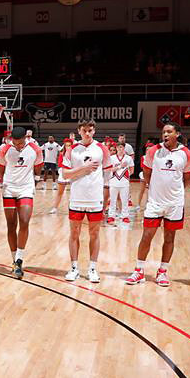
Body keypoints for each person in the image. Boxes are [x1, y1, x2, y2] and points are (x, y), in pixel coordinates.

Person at [125, 123, 190, 287]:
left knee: (170, 238)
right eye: (164, 132)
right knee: (146, 236)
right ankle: (139, 270)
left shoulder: (187, 154)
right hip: (155, 202)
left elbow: (187, 178)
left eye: (169, 132)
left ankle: (162, 272)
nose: (165, 134)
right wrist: (155, 189)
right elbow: (147, 174)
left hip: (175, 203)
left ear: (177, 134)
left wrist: (174, 192)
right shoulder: (153, 151)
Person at [60, 120, 111, 282]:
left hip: (95, 199)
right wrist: (84, 168)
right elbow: (65, 174)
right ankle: (74, 268)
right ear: (79, 131)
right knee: (74, 233)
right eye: (84, 130)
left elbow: (108, 174)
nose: (87, 133)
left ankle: (92, 269)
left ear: (94, 131)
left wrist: (106, 197)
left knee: (94, 234)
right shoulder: (72, 150)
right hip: (76, 198)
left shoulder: (102, 149)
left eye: (90, 130)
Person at [0, 127, 43, 278]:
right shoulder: (5, 149)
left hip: (25, 188)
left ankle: (19, 259)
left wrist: (36, 181)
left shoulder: (35, 149)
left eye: (20, 143)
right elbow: (0, 167)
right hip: (9, 188)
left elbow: (38, 166)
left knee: (24, 221)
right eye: (15, 143)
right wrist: (4, 182)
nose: (18, 146)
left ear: (26, 138)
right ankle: (13, 259)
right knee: (11, 224)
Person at [108, 143, 134, 225]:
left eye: (122, 147)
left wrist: (126, 176)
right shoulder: (111, 158)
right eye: (119, 147)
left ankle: (125, 216)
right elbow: (110, 170)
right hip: (113, 182)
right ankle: (111, 216)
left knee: (125, 200)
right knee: (112, 200)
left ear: (124, 148)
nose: (120, 149)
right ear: (116, 148)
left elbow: (132, 170)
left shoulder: (128, 158)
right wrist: (120, 166)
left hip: (124, 182)